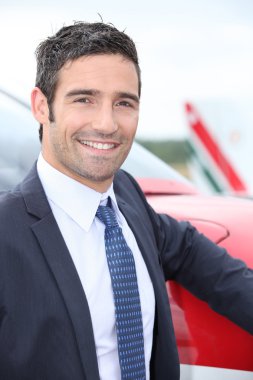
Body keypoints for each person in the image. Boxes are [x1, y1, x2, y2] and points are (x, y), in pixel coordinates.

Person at [0, 21, 252, 380]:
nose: (107, 123)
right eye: (84, 99)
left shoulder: (126, 198)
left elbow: (187, 248)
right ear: (41, 106)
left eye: (123, 103)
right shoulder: (6, 231)